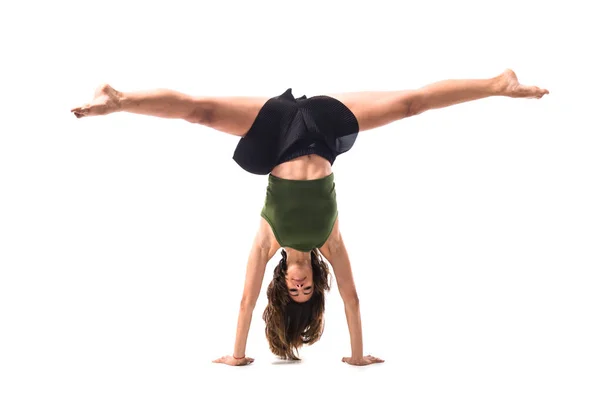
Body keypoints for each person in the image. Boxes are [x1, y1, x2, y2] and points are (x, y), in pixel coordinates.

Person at [71, 69, 549, 366]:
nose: (300, 286)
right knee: (410, 104)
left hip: (278, 130)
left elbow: (244, 300)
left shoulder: (267, 240)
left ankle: (120, 99)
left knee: (199, 111)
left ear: (283, 282)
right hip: (323, 131)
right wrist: (358, 356)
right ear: (313, 280)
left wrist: (238, 355)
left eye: (292, 290)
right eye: (307, 290)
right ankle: (497, 85)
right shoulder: (330, 241)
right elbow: (353, 299)